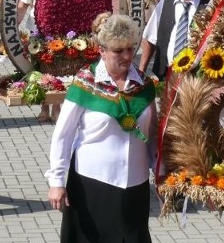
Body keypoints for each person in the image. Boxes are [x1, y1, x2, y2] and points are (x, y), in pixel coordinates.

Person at [46, 13, 157, 243]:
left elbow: (152, 135)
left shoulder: (144, 85)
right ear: (102, 51)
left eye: (129, 48)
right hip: (92, 185)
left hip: (135, 185)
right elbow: (63, 135)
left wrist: (162, 171)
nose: (126, 56)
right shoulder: (86, 83)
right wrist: (56, 181)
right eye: (118, 50)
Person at [139, 0, 209, 80]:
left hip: (194, 80)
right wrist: (141, 72)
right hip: (164, 75)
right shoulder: (164, 4)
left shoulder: (209, 9)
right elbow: (150, 39)